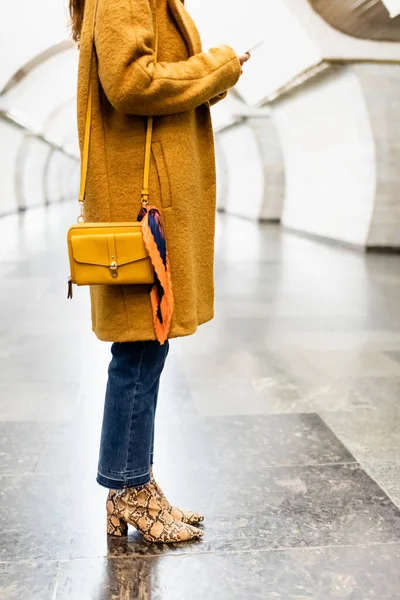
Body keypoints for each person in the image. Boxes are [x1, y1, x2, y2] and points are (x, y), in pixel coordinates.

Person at [69, 0, 250, 544]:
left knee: (147, 345)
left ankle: (137, 484)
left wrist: (217, 77)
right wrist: (217, 65)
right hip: (142, 207)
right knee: (140, 348)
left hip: (144, 199)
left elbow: (157, 76)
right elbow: (131, 82)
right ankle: (129, 490)